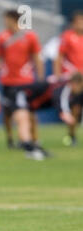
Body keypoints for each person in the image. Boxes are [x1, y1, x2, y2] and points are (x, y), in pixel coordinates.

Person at [0, 10, 46, 160]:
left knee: (28, 112)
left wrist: (40, 78)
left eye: (7, 20)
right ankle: (11, 138)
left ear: (14, 20)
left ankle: (32, 139)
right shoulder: (3, 37)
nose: (5, 23)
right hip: (7, 81)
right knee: (6, 112)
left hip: (25, 82)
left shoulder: (29, 36)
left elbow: (37, 57)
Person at [54, 11, 83, 146]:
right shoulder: (67, 37)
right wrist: (58, 75)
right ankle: (72, 135)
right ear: (73, 23)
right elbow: (59, 56)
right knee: (75, 108)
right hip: (74, 79)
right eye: (78, 21)